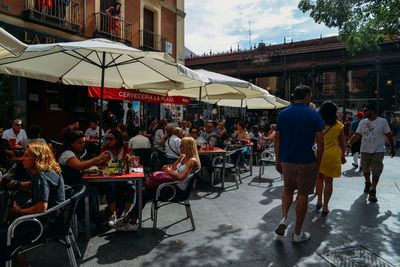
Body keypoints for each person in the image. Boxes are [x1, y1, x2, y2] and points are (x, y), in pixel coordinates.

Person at [0, 142, 65, 267]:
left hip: (43, 226)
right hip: (57, 221)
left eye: (26, 156)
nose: (22, 158)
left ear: (37, 159)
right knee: (5, 229)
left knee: (4, 234)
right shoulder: (52, 171)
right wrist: (18, 183)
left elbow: (41, 207)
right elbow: (34, 185)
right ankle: (21, 263)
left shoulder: (40, 177)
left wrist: (20, 211)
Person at [116, 137, 201, 231]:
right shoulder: (183, 157)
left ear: (187, 147)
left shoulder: (192, 161)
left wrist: (168, 171)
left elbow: (181, 178)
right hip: (171, 185)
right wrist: (168, 168)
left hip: (177, 191)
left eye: (181, 145)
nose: (179, 147)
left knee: (144, 193)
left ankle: (129, 219)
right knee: (144, 191)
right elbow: (172, 168)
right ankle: (132, 219)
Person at [274, 85, 325, 243]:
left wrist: (277, 159)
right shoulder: (313, 114)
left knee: (288, 190)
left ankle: (283, 218)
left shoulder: (282, 114)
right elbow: (320, 141)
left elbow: (277, 139)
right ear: (308, 96)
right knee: (303, 195)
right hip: (306, 161)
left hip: (287, 160)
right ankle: (297, 233)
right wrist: (318, 161)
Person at [347, 103, 396, 202]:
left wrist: (392, 148)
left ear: (372, 111)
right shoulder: (362, 122)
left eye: (366, 110)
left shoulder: (382, 122)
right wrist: (349, 142)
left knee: (376, 170)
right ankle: (367, 182)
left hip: (378, 150)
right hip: (365, 150)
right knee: (365, 169)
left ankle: (373, 189)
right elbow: (357, 135)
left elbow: (388, 135)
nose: (364, 112)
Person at [315, 101, 346, 214]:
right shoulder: (338, 125)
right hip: (332, 155)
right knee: (329, 181)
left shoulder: (317, 123)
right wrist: (343, 156)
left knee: (319, 178)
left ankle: (318, 201)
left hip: (318, 154)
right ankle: (325, 206)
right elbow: (342, 143)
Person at [101, 130, 134, 227]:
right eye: (107, 139)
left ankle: (127, 214)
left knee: (132, 188)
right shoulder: (105, 148)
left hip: (123, 176)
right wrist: (103, 160)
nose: (108, 141)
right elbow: (100, 163)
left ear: (117, 139)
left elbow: (129, 161)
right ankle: (113, 214)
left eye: (111, 139)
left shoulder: (125, 147)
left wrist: (129, 161)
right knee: (110, 186)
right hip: (110, 177)